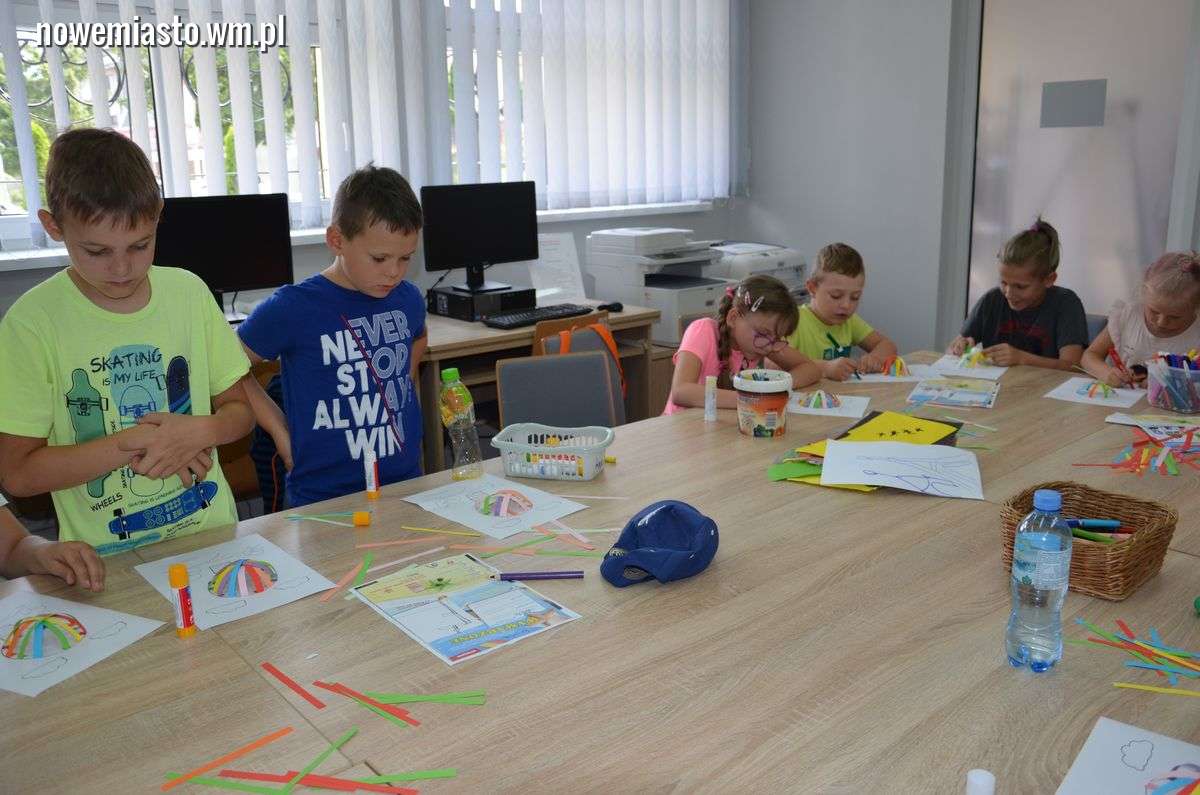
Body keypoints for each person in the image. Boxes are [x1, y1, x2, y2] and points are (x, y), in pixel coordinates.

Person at [0, 128, 254, 555]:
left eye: (139, 245)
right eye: (97, 251)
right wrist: (141, 441)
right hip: (106, 559)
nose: (122, 269)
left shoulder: (189, 293)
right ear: (52, 225)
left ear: (158, 215)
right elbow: (18, 474)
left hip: (212, 536)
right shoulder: (31, 324)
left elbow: (240, 414)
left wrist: (197, 431)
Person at [238, 165, 428, 507]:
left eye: (405, 258)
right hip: (323, 496)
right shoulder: (293, 307)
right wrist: (279, 429)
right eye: (379, 258)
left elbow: (418, 337)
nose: (394, 272)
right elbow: (227, 367)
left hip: (404, 484)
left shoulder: (408, 299)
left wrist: (395, 383)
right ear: (337, 240)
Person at [665, 274, 821, 413]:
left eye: (777, 338)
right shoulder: (703, 330)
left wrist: (775, 387)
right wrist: (751, 399)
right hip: (682, 428)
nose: (769, 346)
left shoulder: (764, 343)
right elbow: (681, 392)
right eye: (763, 333)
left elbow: (810, 369)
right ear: (733, 318)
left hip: (721, 428)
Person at [948, 218, 1086, 370]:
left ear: (1049, 280)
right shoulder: (991, 300)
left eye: (1020, 287)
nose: (1008, 293)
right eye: (1003, 283)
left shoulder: (1066, 304)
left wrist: (1021, 358)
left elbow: (1073, 366)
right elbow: (953, 348)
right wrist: (960, 348)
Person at [1081, 251, 1200, 386]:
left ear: (1196, 309)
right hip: (1119, 396)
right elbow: (1090, 356)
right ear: (1143, 295)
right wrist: (1104, 372)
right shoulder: (1129, 315)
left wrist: (1169, 383)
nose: (1161, 322)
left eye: (1174, 317)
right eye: (1154, 311)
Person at [784, 242, 899, 381]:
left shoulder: (849, 321)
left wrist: (876, 358)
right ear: (812, 288)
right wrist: (825, 368)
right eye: (836, 296)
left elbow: (887, 345)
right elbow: (774, 365)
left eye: (855, 297)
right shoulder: (792, 321)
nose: (846, 305)